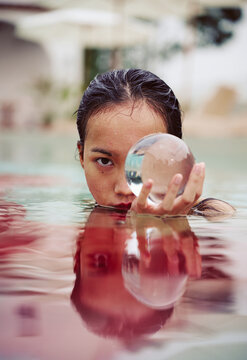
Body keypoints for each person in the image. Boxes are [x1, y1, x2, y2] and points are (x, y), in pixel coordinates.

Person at [76, 68, 235, 217]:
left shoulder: (214, 215)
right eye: (104, 161)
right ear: (82, 156)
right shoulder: (86, 212)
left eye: (145, 162)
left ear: (176, 159)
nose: (124, 189)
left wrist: (171, 224)